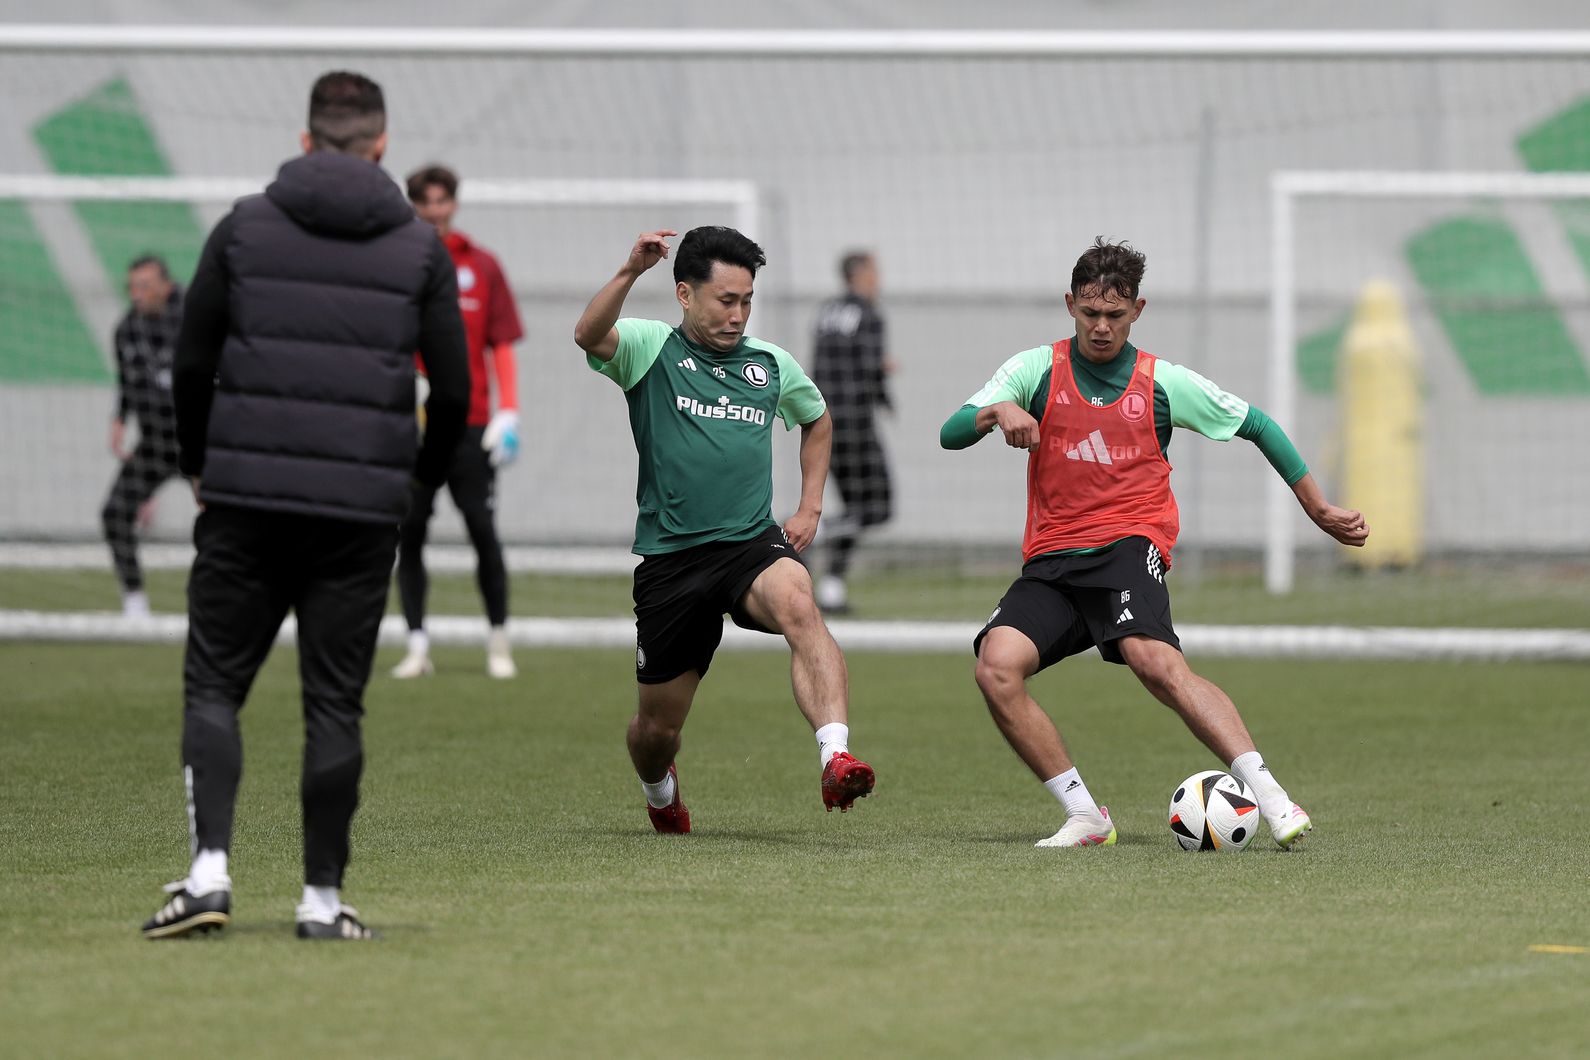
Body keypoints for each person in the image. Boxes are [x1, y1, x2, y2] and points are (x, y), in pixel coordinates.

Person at [141, 71, 469, 940]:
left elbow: (190, 364)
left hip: (244, 500)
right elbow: (455, 392)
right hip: (359, 513)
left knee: (215, 684)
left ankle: (208, 876)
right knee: (333, 704)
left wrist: (199, 464)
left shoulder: (243, 226)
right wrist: (417, 484)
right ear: (381, 144)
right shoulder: (421, 249)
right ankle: (322, 902)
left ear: (305, 139)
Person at [940, 238, 1368, 850]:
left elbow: (1257, 424)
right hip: (1053, 561)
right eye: (1091, 312)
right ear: (1070, 304)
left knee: (1155, 662)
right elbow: (951, 432)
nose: (1101, 327)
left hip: (1127, 545)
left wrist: (1317, 507)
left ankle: (1273, 798)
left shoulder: (1162, 382)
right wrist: (998, 411)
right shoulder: (1036, 370)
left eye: (1115, 314)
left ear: (1137, 310)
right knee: (996, 668)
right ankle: (1086, 817)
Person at [573, 226, 876, 833]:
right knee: (656, 731)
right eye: (725, 300)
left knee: (800, 604)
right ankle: (660, 790)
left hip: (749, 544)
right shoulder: (649, 348)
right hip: (673, 559)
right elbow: (588, 334)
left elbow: (817, 420)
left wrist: (810, 506)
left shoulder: (769, 364)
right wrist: (630, 271)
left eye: (747, 301)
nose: (738, 315)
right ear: (685, 294)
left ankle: (836, 756)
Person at [391, 165, 525, 680]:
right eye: (424, 201)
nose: (434, 210)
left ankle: (499, 642)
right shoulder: (395, 260)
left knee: (482, 530)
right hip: (412, 426)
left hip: (471, 423)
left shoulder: (482, 265)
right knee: (409, 533)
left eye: (441, 200)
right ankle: (416, 646)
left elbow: (501, 344)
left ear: (454, 203)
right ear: (413, 206)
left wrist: (508, 410)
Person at [810, 250, 894, 615]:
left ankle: (831, 588)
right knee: (878, 507)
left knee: (853, 509)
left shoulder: (827, 312)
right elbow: (870, 367)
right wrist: (884, 386)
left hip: (824, 423)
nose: (879, 279)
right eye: (875, 272)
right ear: (860, 275)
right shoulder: (868, 313)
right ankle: (814, 531)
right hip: (856, 425)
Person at [101, 254, 184, 618]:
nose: (137, 294)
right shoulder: (127, 330)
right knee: (114, 513)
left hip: (200, 444)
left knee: (238, 518)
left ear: (166, 285)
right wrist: (120, 419)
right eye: (132, 287)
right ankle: (135, 604)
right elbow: (126, 381)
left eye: (145, 286)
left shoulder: (195, 318)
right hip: (155, 444)